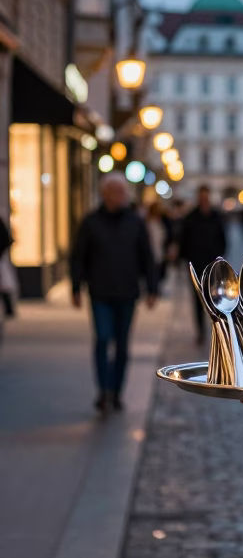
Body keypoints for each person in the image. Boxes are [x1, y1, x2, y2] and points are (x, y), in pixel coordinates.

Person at [71, 175, 157, 411]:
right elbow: (79, 256)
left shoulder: (135, 222)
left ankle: (117, 391)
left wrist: (152, 288)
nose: (121, 196)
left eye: (123, 191)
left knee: (122, 345)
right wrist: (76, 287)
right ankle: (103, 390)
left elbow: (147, 256)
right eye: (116, 191)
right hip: (100, 292)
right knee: (102, 339)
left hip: (127, 292)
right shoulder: (91, 222)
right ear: (105, 194)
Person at [178, 185, 226, 342]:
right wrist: (185, 260)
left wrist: (220, 259)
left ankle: (217, 329)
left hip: (213, 265)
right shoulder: (190, 217)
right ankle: (200, 331)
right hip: (196, 264)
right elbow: (183, 240)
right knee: (198, 299)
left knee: (216, 299)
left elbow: (223, 239)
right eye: (202, 197)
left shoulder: (216, 216)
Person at [145, 201, 169, 291]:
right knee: (153, 278)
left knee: (159, 276)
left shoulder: (160, 223)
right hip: (152, 254)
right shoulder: (149, 224)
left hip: (159, 254)